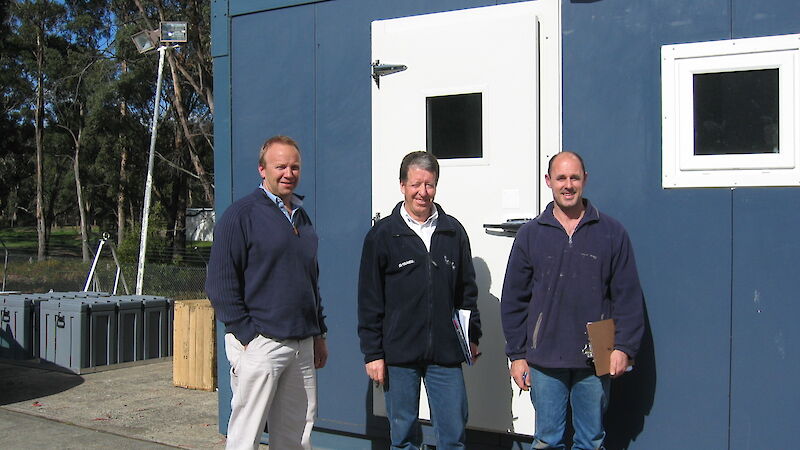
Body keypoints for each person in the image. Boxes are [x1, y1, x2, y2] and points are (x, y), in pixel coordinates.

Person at [500, 151, 644, 450]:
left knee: (591, 440)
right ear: (548, 181)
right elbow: (514, 300)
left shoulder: (611, 233)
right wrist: (516, 355)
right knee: (547, 440)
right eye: (561, 178)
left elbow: (627, 297)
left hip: (596, 355)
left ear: (585, 180)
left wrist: (624, 348)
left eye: (574, 177)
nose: (568, 185)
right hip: (543, 357)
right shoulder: (530, 235)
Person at [205, 135, 328, 450]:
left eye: (295, 167)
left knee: (296, 437)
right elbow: (220, 283)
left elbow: (309, 279)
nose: (289, 173)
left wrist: (318, 333)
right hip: (261, 344)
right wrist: (248, 335)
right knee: (246, 437)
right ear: (262, 169)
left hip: (301, 344)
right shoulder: (241, 215)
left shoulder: (302, 216)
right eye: (280, 166)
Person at [358, 151, 482, 450]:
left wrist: (472, 334)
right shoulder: (382, 235)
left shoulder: (452, 231)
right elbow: (369, 299)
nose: (422, 192)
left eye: (429, 185)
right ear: (402, 185)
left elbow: (467, 290)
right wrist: (373, 353)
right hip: (399, 352)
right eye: (415, 184)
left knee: (453, 435)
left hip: (446, 352)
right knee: (403, 438)